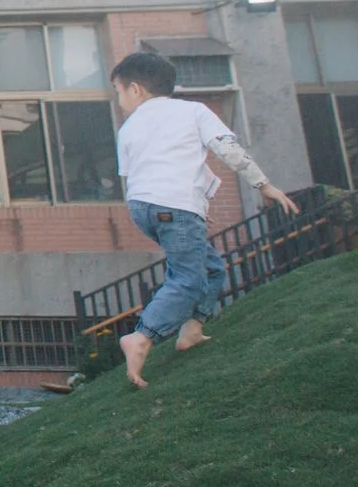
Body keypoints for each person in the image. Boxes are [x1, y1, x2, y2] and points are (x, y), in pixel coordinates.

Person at [110, 50, 297, 390]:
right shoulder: (193, 111)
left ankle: (192, 331)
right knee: (188, 279)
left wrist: (194, 204)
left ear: (135, 89)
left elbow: (141, 171)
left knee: (211, 268)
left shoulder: (128, 128)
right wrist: (264, 185)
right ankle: (142, 336)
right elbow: (228, 149)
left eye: (118, 91)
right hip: (173, 207)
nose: (119, 99)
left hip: (142, 207)